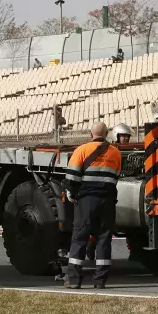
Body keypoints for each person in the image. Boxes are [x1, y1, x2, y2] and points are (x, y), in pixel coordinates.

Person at [63, 122, 122, 289]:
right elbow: (115, 176)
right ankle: (100, 280)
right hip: (108, 201)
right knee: (104, 239)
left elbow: (72, 177)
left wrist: (72, 194)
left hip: (87, 200)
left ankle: (73, 279)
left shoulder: (81, 150)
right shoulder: (116, 153)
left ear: (91, 135)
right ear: (106, 134)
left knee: (80, 238)